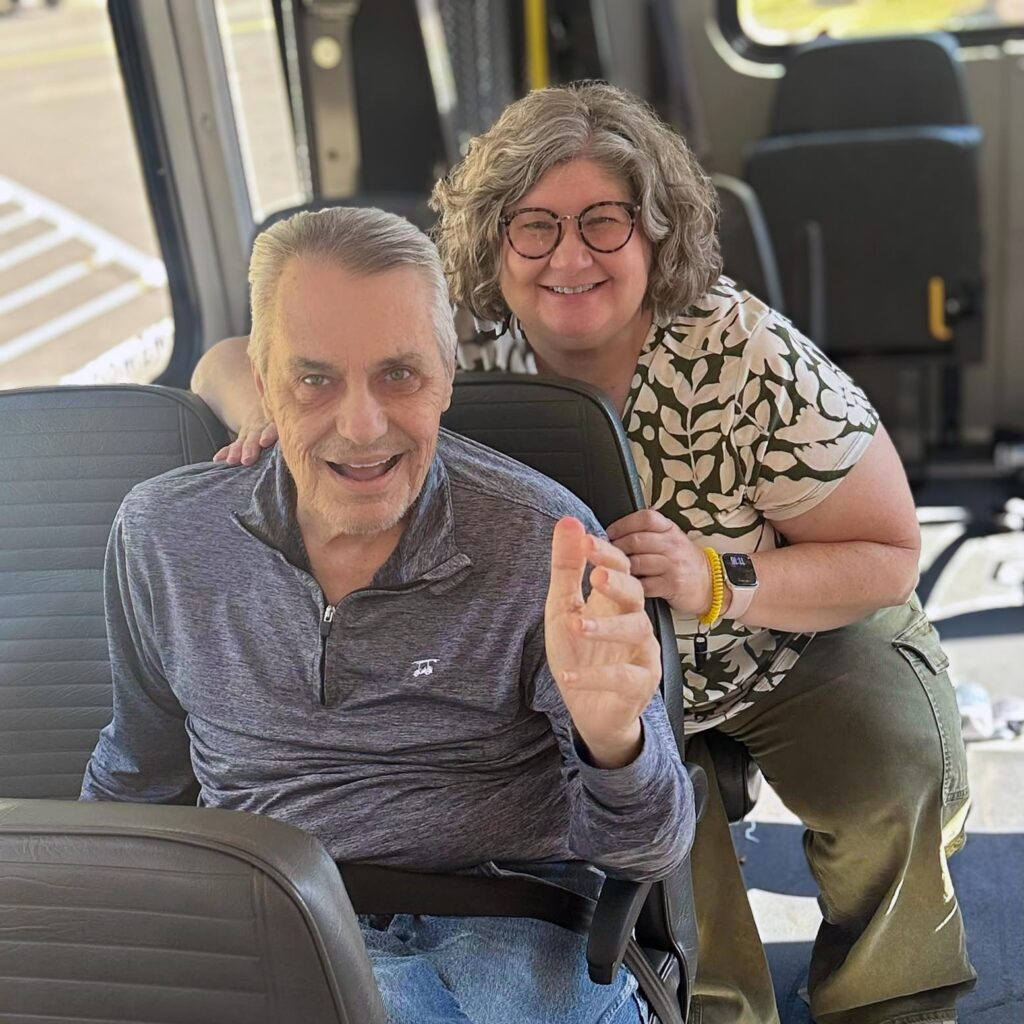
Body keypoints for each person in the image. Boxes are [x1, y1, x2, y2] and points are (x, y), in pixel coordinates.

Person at [193, 82, 976, 1024]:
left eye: (605, 223)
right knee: (659, 852)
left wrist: (718, 580)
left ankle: (892, 1001)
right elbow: (228, 356)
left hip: (791, 638)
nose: (569, 256)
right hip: (589, 671)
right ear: (494, 242)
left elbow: (889, 551)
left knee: (891, 781)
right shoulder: (458, 330)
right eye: (535, 226)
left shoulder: (745, 356)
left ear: (656, 233)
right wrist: (269, 410)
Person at [81, 205, 697, 1024]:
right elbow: (139, 775)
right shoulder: (163, 534)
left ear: (446, 375)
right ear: (262, 385)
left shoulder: (542, 543)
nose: (361, 427)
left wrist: (614, 741)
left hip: (505, 930)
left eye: (399, 375)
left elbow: (646, 852)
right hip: (273, 921)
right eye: (315, 379)